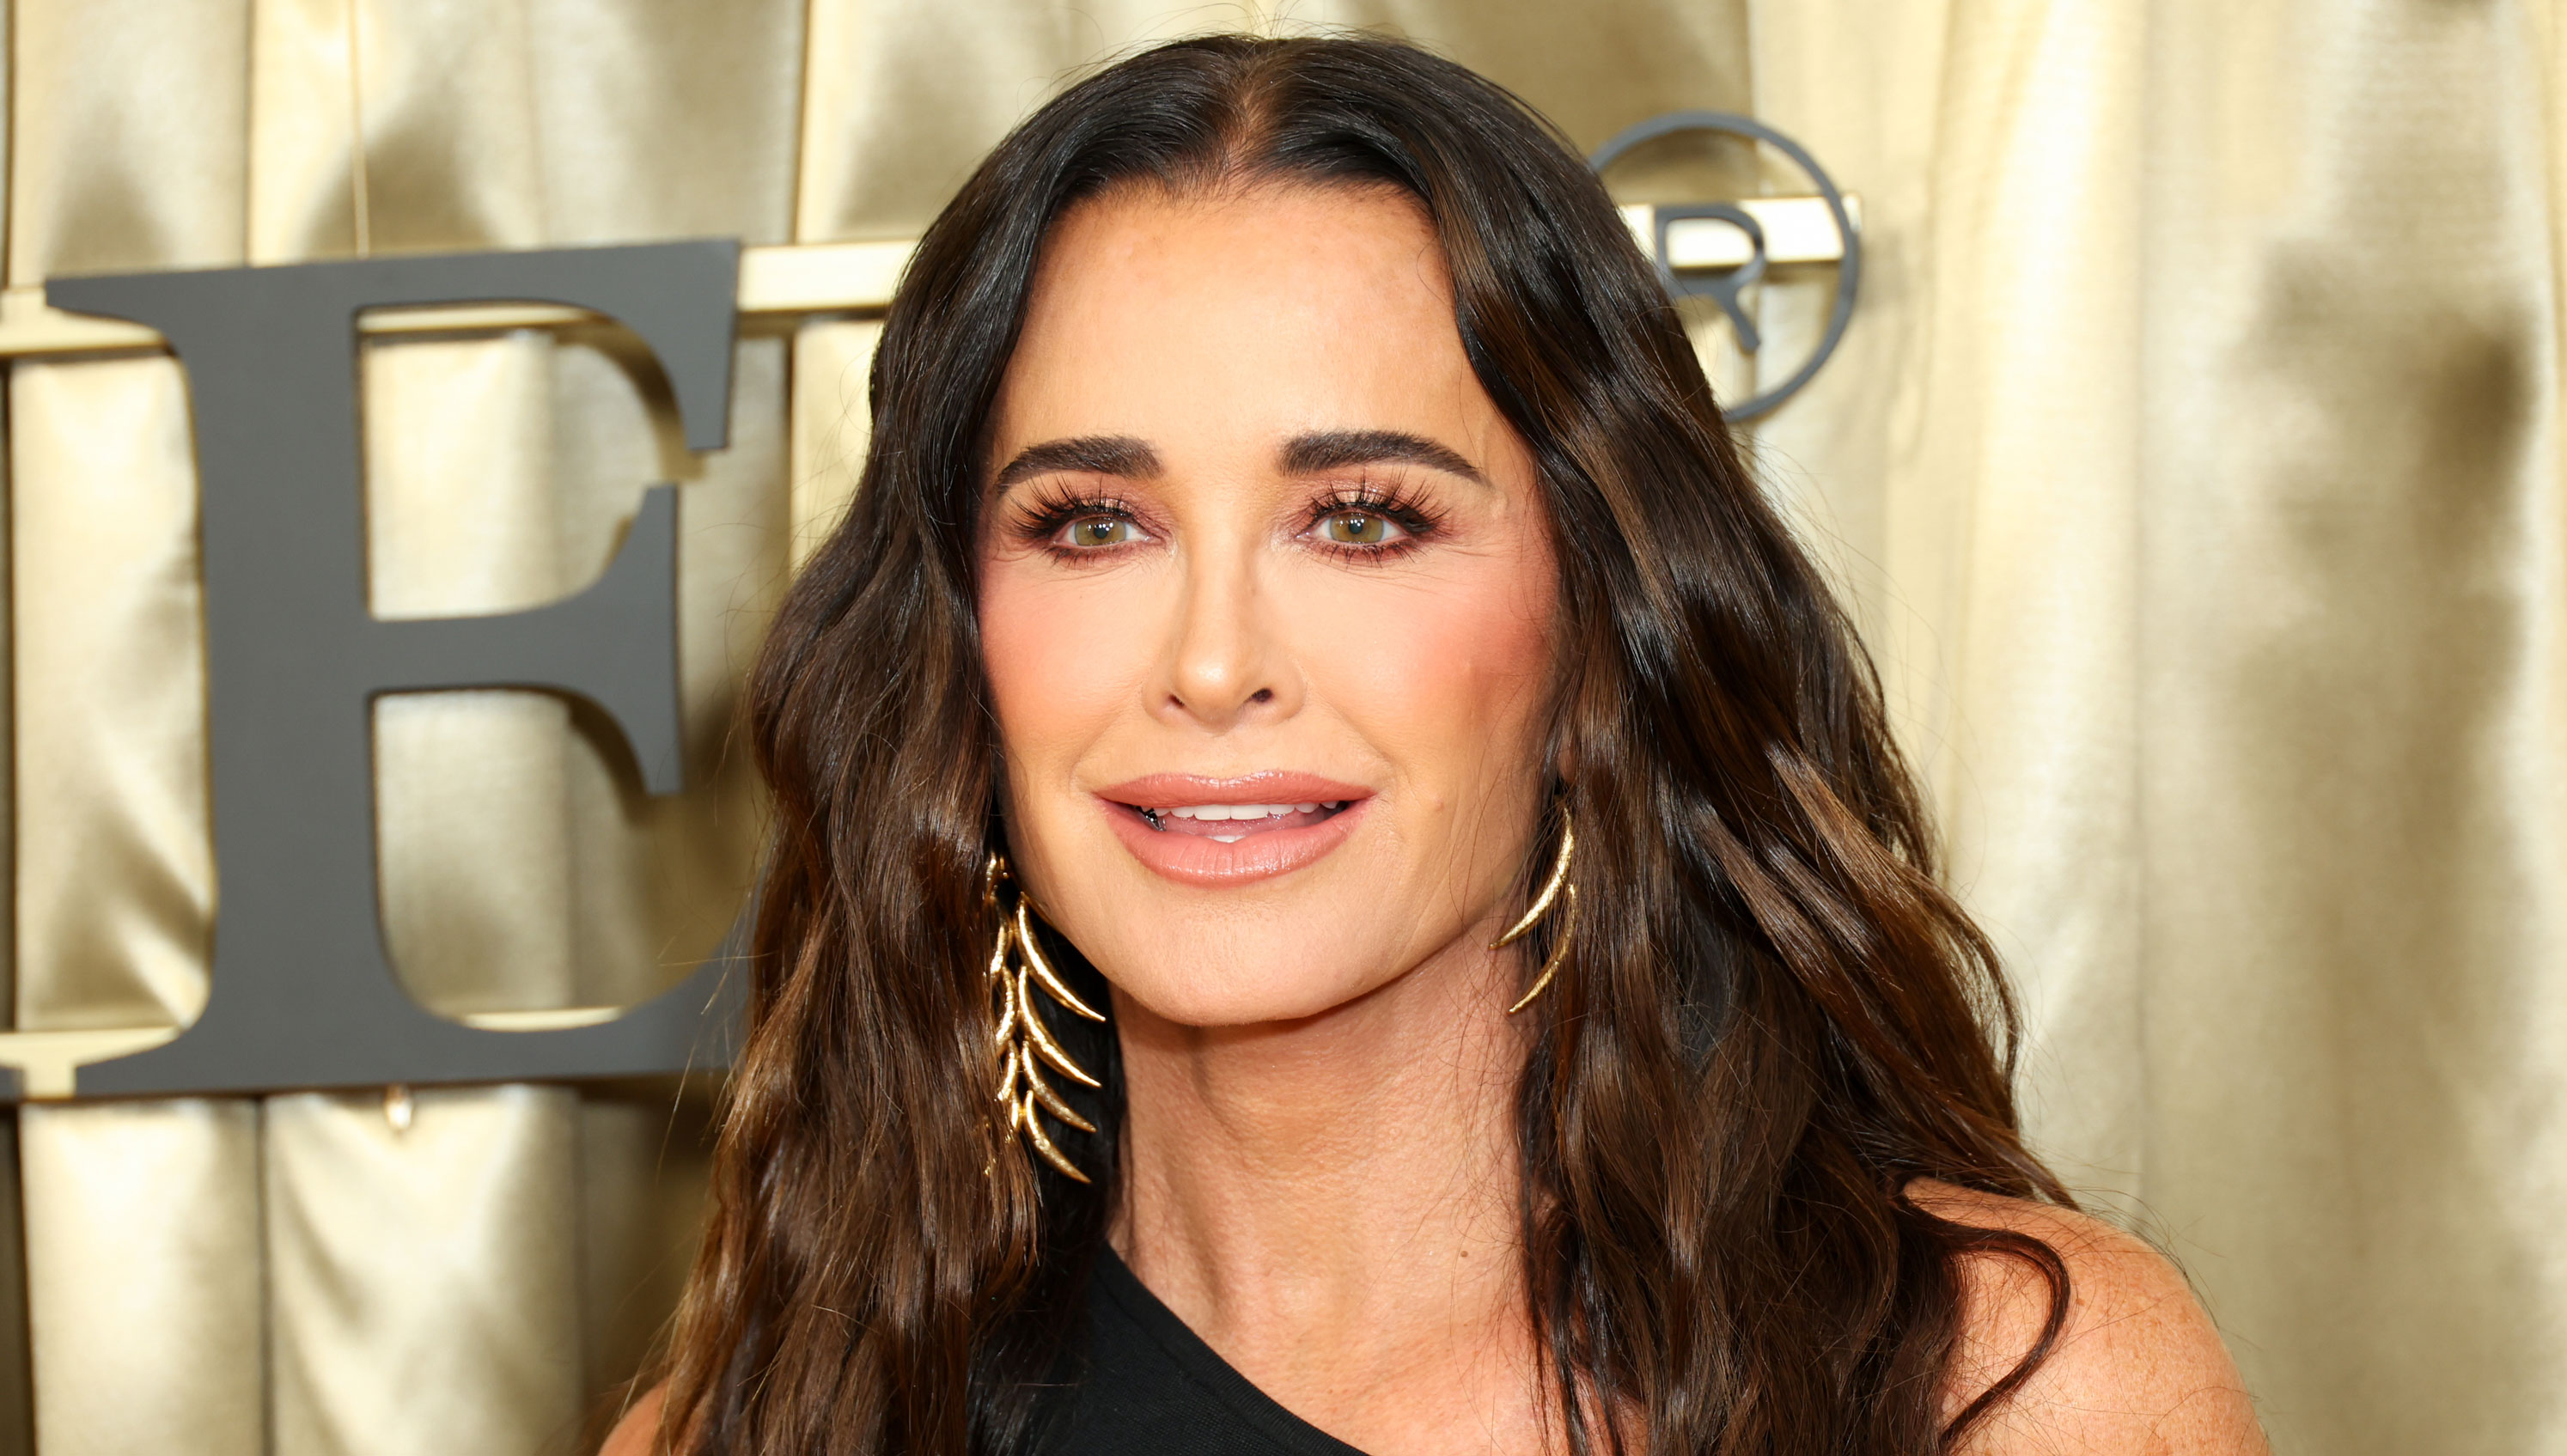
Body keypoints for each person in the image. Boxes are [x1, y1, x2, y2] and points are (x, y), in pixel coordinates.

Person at [607, 33, 2265, 1456]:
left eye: (1363, 519)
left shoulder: (1992, 1392)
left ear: (1600, 628)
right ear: (954, 648)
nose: (1210, 661)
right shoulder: (763, 1428)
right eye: (1094, 522)